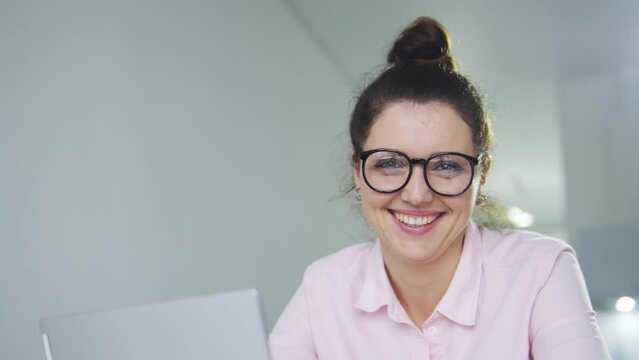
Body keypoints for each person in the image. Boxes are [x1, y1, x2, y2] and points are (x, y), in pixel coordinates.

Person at [269, 17, 610, 360]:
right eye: (389, 163)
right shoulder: (323, 287)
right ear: (357, 169)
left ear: (482, 174)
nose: (417, 195)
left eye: (447, 166)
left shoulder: (541, 270)